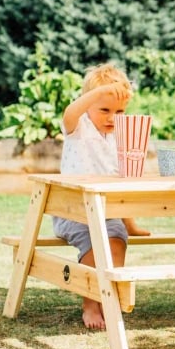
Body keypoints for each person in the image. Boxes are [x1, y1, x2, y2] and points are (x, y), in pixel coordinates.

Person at [53, 62, 150, 330]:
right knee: (96, 242)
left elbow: (122, 187)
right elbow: (69, 113)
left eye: (119, 112)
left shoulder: (120, 138)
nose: (111, 117)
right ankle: (91, 303)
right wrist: (97, 93)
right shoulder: (78, 128)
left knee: (117, 239)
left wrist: (131, 225)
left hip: (106, 212)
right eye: (104, 110)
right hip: (73, 212)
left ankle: (108, 295)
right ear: (90, 105)